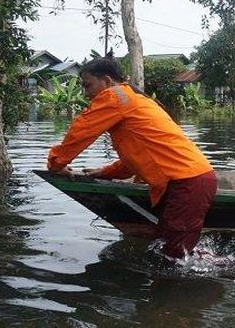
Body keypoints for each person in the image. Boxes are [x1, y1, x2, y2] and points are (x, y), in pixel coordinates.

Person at [46, 57, 217, 260]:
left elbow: (81, 132)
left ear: (107, 81)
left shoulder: (114, 96)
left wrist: (56, 164)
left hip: (186, 182)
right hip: (189, 180)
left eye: (87, 85)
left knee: (172, 256)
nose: (86, 93)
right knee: (169, 250)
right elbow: (139, 157)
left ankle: (228, 271)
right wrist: (105, 172)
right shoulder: (135, 99)